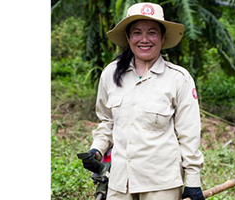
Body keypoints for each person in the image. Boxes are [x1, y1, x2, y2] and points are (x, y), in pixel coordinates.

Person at [82, 2, 204, 200]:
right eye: (137, 32)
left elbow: (189, 136)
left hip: (161, 184)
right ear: (128, 37)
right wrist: (97, 148)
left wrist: (193, 182)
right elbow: (107, 122)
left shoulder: (179, 78)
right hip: (120, 182)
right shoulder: (111, 74)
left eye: (152, 33)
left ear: (162, 37)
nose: (144, 39)